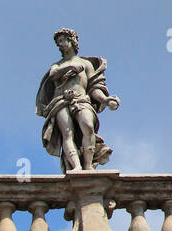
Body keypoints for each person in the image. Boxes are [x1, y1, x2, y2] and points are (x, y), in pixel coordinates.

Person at [34, 28, 119, 173]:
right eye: (58, 42)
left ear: (71, 41)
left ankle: (87, 166)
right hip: (61, 101)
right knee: (67, 133)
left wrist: (105, 100)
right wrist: (71, 67)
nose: (60, 45)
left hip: (82, 100)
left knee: (88, 127)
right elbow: (53, 75)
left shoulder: (86, 64)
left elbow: (93, 87)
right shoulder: (57, 65)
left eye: (62, 40)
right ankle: (76, 167)